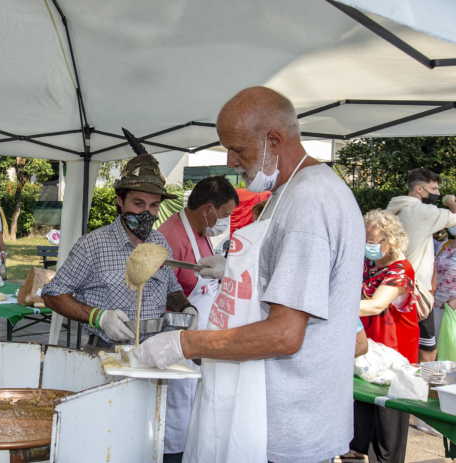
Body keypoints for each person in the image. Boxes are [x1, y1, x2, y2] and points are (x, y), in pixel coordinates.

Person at [133, 86, 364, 462]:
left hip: (286, 423)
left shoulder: (309, 202)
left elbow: (284, 335)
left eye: (238, 149)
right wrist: (234, 270)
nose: (230, 160)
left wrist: (185, 344)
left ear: (274, 140)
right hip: (269, 411)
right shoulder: (288, 193)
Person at [41, 128, 195, 348]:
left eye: (153, 206)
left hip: (154, 350)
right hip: (107, 350)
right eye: (138, 203)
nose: (146, 212)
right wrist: (99, 317)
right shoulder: (93, 244)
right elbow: (52, 294)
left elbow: (171, 288)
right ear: (120, 202)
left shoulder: (159, 242)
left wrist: (185, 308)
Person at [157, 176, 239, 462]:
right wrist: (187, 310)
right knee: (176, 412)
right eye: (225, 214)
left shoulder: (201, 232)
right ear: (208, 209)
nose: (226, 221)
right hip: (175, 337)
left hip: (200, 340)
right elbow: (163, 288)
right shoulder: (171, 236)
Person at [350, 209, 417, 462]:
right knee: (360, 421)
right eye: (365, 240)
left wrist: (334, 306)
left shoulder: (401, 270)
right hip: (366, 351)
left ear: (392, 241)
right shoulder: (368, 263)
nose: (368, 247)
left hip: (394, 354)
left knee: (388, 427)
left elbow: (377, 304)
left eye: (373, 242)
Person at [386, 169, 456, 362]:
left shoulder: (392, 208)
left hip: (389, 288)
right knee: (427, 350)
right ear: (419, 189)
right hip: (415, 293)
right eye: (433, 188)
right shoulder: (422, 212)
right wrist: (450, 201)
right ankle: (424, 389)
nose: (437, 193)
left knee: (395, 345)